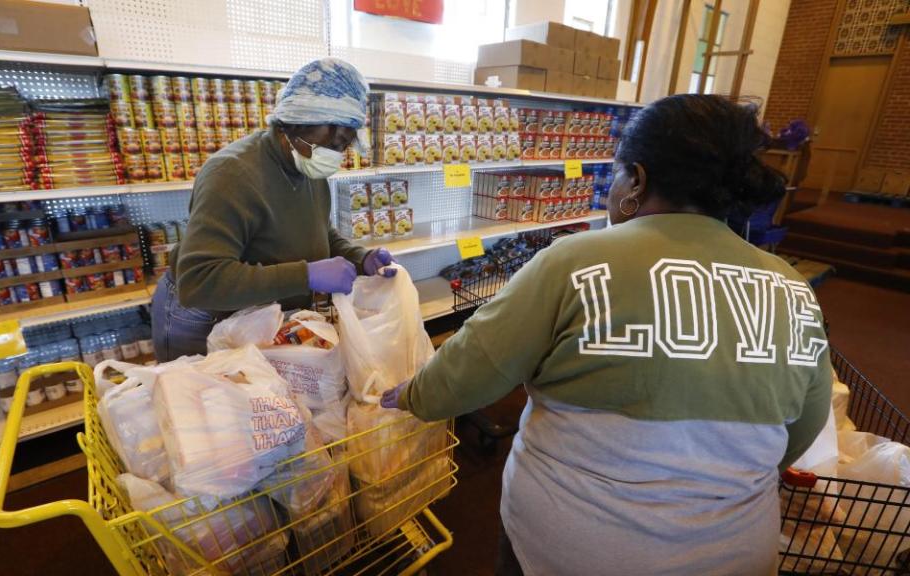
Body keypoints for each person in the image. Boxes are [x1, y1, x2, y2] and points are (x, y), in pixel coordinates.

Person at [381, 94, 832, 575]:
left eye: (617, 174)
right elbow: (804, 427)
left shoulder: (574, 260)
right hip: (734, 551)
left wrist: (414, 396)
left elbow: (471, 371)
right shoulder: (792, 285)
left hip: (576, 545)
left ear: (636, 179)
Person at [152, 58, 394, 362]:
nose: (334, 153)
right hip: (204, 317)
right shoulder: (232, 175)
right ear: (297, 122)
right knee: (203, 401)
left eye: (342, 145)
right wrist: (305, 275)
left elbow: (319, 230)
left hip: (257, 313)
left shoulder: (306, 168)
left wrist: (360, 258)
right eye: (331, 141)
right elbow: (201, 279)